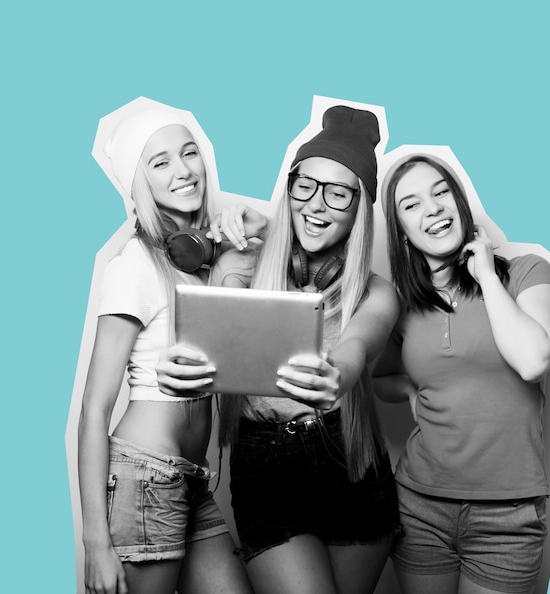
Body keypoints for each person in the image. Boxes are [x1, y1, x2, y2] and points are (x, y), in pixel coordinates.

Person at [157, 105, 401, 594]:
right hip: (265, 470)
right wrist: (178, 368)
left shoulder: (376, 292)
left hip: (352, 463)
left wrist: (339, 373)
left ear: (359, 206)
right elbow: (202, 348)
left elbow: (359, 342)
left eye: (338, 192)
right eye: (305, 184)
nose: (316, 204)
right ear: (289, 188)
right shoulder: (244, 268)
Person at [78, 101, 263, 594]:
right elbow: (94, 409)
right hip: (144, 476)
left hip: (190, 480)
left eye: (190, 154)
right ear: (140, 184)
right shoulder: (133, 266)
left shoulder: (206, 260)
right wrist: (97, 541)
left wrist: (257, 227)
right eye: (160, 163)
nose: (184, 171)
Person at [373, 153, 550, 594]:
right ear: (401, 231)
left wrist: (486, 276)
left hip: (507, 517)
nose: (433, 208)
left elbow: (533, 361)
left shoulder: (527, 273)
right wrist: (406, 389)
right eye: (412, 204)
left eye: (441, 193)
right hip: (418, 506)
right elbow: (377, 377)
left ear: (460, 203)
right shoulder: (401, 302)